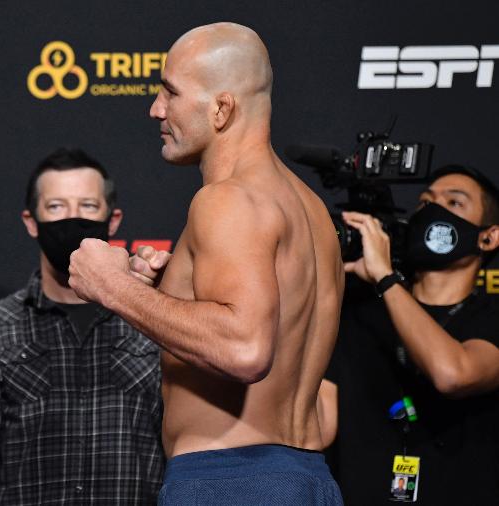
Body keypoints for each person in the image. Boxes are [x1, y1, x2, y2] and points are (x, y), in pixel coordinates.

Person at [68, 23, 344, 505]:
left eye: (170, 93)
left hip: (233, 480)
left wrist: (112, 287)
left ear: (221, 108)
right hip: (305, 477)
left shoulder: (227, 200)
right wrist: (153, 293)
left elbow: (245, 349)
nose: (156, 108)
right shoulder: (310, 208)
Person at [0, 148, 166, 506]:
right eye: (56, 207)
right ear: (31, 221)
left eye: (88, 207)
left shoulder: (155, 323)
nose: (72, 219)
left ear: (113, 219)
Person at [320, 165, 499, 505]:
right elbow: (319, 424)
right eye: (424, 201)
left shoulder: (490, 316)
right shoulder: (361, 312)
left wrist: (386, 278)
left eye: (453, 203)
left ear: (488, 236)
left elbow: (453, 374)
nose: (431, 210)